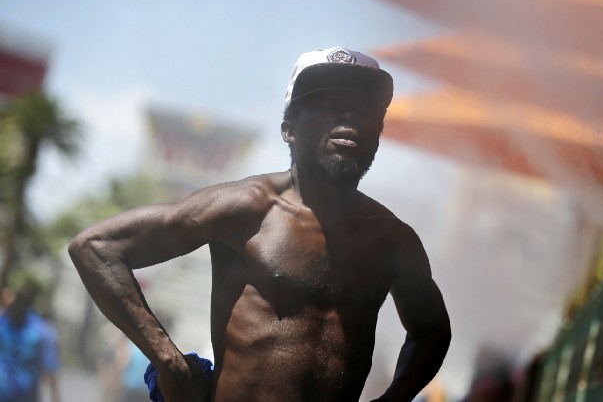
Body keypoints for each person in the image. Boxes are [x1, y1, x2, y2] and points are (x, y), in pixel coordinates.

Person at [69, 46, 451, 402]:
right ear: (289, 130)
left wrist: (394, 398)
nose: (349, 117)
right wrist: (169, 362)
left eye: (364, 110)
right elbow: (96, 248)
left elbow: (431, 331)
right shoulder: (248, 208)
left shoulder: (392, 239)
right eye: (329, 105)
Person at [0, 282, 62, 402]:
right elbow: (51, 369)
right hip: (26, 393)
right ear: (35, 301)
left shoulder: (3, 321)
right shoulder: (43, 330)